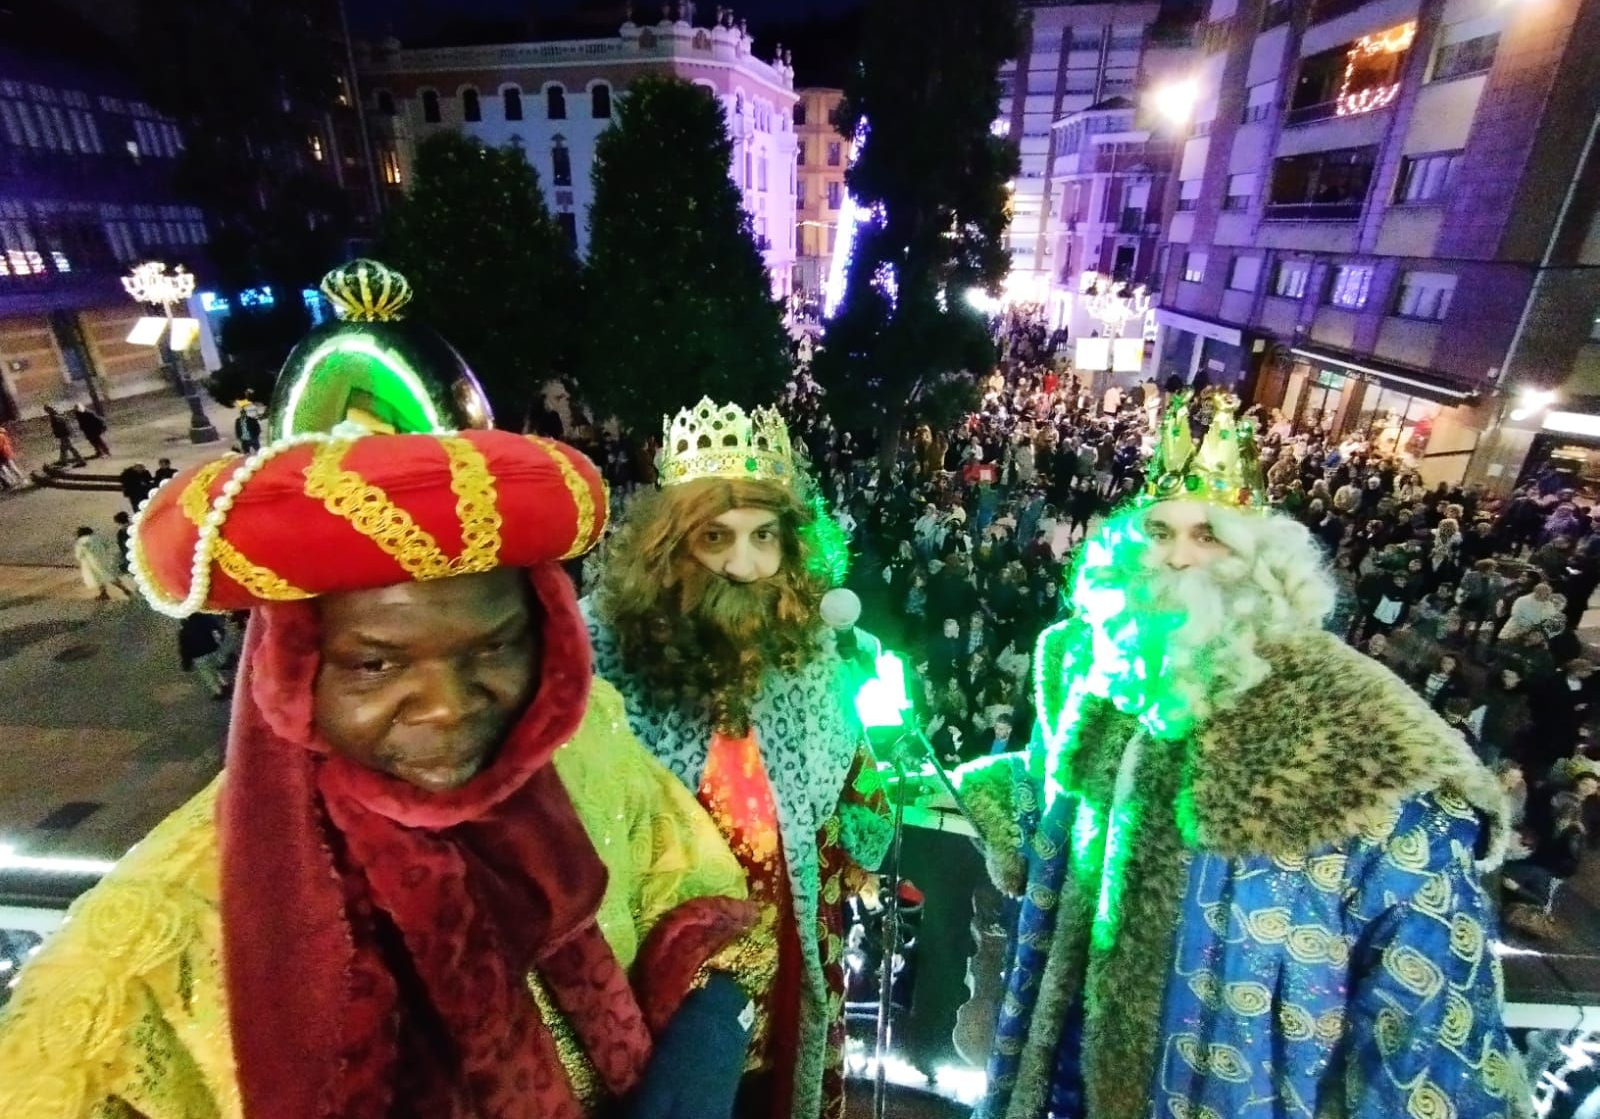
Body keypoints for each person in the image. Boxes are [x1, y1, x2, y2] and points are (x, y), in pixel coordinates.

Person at [0, 260, 768, 1119]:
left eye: (493, 647)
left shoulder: (590, 742)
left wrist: (697, 1059)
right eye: (377, 664)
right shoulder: (149, 953)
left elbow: (693, 900)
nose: (448, 705)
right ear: (292, 666)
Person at [956, 393, 1527, 1119]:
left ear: (1266, 566)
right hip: (1062, 1057)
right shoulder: (1097, 669)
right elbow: (1054, 796)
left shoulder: (1363, 727)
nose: (1177, 555)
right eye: (1159, 531)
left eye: (1209, 536)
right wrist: (1000, 802)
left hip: (1228, 1083)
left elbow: (1428, 1017)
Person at [586, 397, 892, 1119]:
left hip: (787, 942)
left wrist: (859, 852)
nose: (744, 565)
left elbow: (852, 782)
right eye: (715, 538)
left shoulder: (815, 655)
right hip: (654, 957)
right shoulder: (601, 656)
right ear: (670, 547)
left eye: (764, 539)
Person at [177, 610, 231, 699]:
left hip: (199, 656)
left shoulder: (184, 631)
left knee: (208, 674)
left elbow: (184, 649)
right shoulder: (205, 619)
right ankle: (225, 683)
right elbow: (217, 629)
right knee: (214, 668)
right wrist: (220, 640)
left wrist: (186, 664)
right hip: (212, 649)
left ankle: (219, 691)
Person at [72, 524, 132, 600]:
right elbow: (107, 546)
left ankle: (107, 593)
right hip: (103, 560)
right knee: (107, 576)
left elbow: (79, 555)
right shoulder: (98, 538)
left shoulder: (80, 542)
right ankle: (120, 590)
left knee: (98, 578)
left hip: (91, 564)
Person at [0, 423, 27, 488]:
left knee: (11, 467)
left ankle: (22, 479)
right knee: (5, 468)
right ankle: (14, 482)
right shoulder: (2, 434)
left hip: (5, 453)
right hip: (4, 453)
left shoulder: (1, 435)